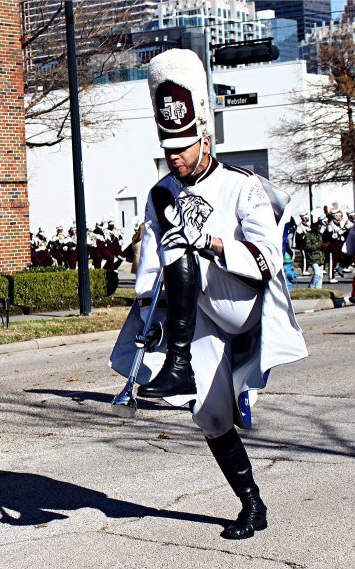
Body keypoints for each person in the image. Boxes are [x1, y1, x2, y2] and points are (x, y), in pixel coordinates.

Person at [109, 49, 307, 540]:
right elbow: (151, 267)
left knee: (184, 243)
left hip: (240, 303)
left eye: (182, 146)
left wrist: (212, 243)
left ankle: (178, 364)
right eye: (167, 147)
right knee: (210, 415)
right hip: (194, 310)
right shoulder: (161, 193)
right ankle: (252, 504)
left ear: (204, 136)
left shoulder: (244, 187)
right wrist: (146, 316)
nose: (174, 157)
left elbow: (266, 262)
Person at [302, 220, 326, 289]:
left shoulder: (319, 235)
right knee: (317, 273)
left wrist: (324, 246)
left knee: (321, 275)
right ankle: (311, 287)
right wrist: (318, 245)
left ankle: (319, 289)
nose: (318, 227)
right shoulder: (308, 235)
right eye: (317, 226)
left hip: (320, 257)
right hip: (313, 257)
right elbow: (307, 246)